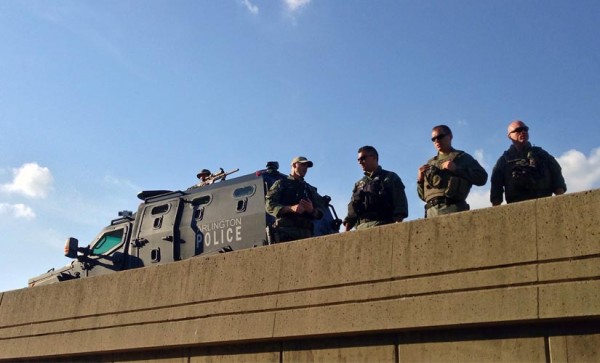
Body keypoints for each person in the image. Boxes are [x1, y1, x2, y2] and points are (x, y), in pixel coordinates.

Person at [417, 125, 488, 218]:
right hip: (431, 213)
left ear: (450, 136)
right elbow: (423, 196)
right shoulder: (430, 164)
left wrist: (456, 169)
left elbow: (482, 178)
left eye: (440, 137)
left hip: (454, 209)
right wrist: (420, 180)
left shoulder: (462, 157)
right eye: (433, 139)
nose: (436, 141)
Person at [490, 120, 566, 205]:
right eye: (518, 130)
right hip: (516, 208)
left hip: (545, 204)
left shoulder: (542, 155)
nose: (523, 132)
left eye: (525, 129)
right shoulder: (504, 161)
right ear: (509, 136)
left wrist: (560, 201)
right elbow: (496, 187)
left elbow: (556, 175)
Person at [343, 146, 408, 230]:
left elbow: (400, 204)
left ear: (374, 157)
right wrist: (346, 231)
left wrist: (396, 227)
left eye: (363, 158)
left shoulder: (389, 177)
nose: (360, 162)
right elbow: (352, 212)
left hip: (384, 226)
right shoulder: (359, 184)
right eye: (358, 160)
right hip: (361, 229)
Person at [265, 156, 325, 243]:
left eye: (307, 166)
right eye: (303, 165)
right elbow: (269, 205)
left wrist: (312, 210)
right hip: (286, 232)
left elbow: (321, 210)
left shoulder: (309, 189)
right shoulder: (281, 184)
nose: (305, 168)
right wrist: (291, 209)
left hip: (306, 234)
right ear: (294, 165)